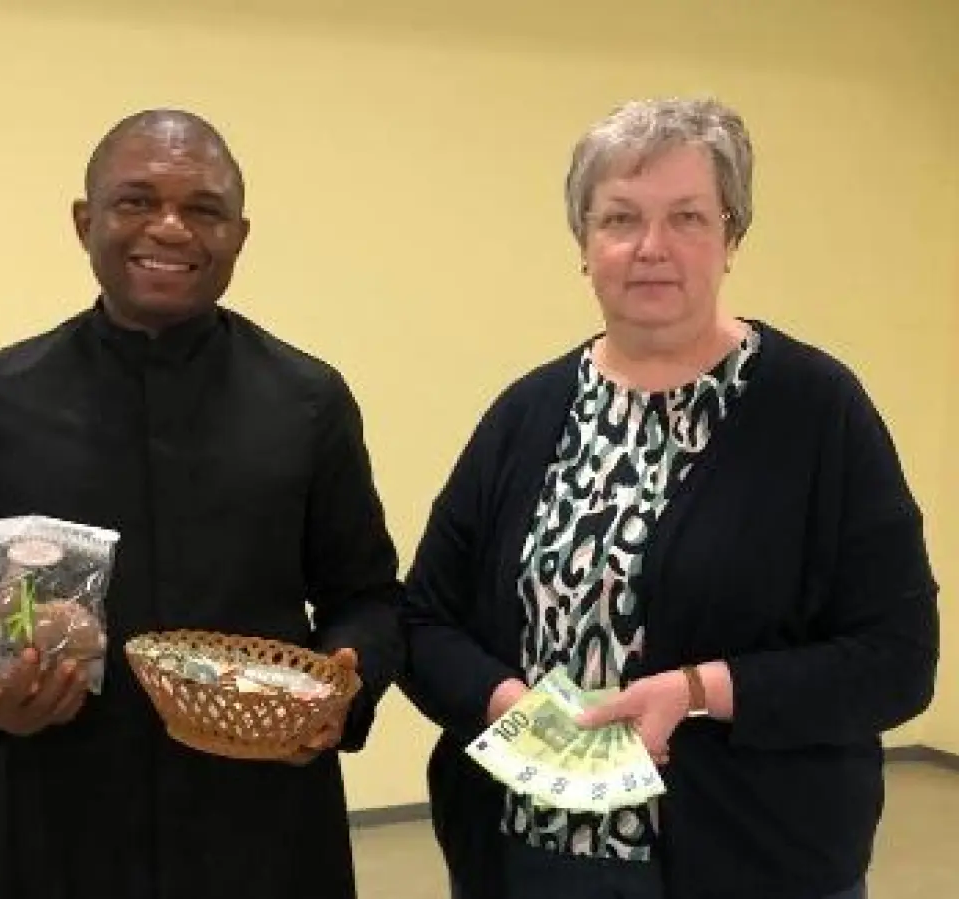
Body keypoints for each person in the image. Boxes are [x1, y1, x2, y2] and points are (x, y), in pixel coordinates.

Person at [398, 96, 939, 899]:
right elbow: (423, 620)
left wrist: (698, 691)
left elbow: (897, 659)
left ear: (732, 237)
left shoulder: (817, 410)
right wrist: (517, 706)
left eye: (687, 217)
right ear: (583, 242)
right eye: (620, 217)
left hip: (758, 860)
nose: (652, 248)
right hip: (531, 856)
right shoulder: (527, 413)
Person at [0, 108, 404, 899]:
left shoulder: (308, 399)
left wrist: (343, 690)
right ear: (83, 220)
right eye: (136, 201)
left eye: (203, 209)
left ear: (238, 233)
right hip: (58, 819)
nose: (169, 228)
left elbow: (366, 597)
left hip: (263, 824)